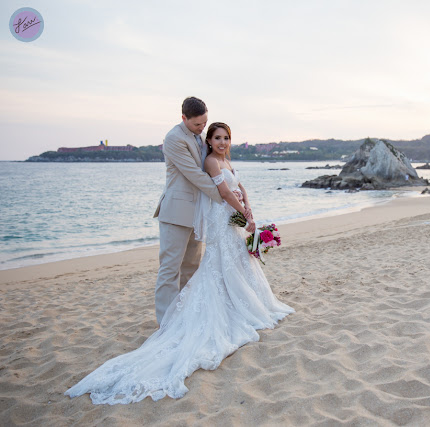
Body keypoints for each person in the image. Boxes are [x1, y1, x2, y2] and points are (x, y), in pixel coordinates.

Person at [64, 122, 295, 405]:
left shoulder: (225, 159)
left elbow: (238, 185)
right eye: (217, 137)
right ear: (209, 140)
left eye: (226, 138)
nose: (222, 142)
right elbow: (222, 192)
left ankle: (236, 303)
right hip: (222, 219)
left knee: (231, 264)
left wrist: (247, 204)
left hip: (230, 218)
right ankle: (172, 321)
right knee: (212, 266)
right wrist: (246, 217)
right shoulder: (209, 159)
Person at [153, 97, 221, 326]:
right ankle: (166, 323)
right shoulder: (174, 138)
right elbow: (194, 174)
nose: (202, 129)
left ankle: (184, 316)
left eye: (204, 123)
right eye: (197, 125)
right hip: (175, 213)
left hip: (197, 213)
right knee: (170, 269)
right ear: (184, 118)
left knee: (192, 267)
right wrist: (225, 196)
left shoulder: (198, 136)